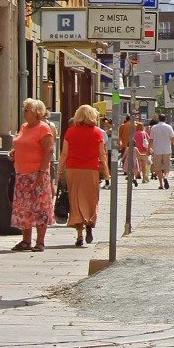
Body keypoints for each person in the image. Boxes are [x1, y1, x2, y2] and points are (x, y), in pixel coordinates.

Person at [8, 99, 54, 252]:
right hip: (22, 174)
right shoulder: (24, 127)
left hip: (37, 174)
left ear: (37, 112)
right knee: (24, 208)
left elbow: (48, 152)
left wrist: (41, 173)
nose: (24, 111)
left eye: (27, 109)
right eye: (24, 108)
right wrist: (14, 153)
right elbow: (21, 144)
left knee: (39, 207)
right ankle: (25, 241)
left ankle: (40, 242)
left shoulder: (44, 128)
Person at [58, 105, 106, 247]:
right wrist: (106, 173)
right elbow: (102, 155)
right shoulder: (98, 133)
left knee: (75, 200)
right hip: (91, 169)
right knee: (91, 198)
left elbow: (64, 154)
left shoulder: (70, 132)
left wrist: (59, 170)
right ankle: (90, 222)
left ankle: (79, 234)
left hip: (73, 169)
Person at [148, 115, 174, 190]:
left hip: (157, 150)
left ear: (158, 119)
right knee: (167, 167)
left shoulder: (154, 128)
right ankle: (165, 177)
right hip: (167, 150)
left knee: (158, 168)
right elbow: (173, 139)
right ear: (165, 119)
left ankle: (161, 184)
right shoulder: (168, 127)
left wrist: (148, 149)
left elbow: (151, 140)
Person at [99, 117, 114, 188]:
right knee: (106, 166)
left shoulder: (109, 131)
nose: (106, 125)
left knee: (107, 166)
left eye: (107, 124)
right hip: (108, 149)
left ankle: (108, 181)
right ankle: (107, 181)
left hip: (109, 149)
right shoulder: (104, 131)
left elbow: (105, 140)